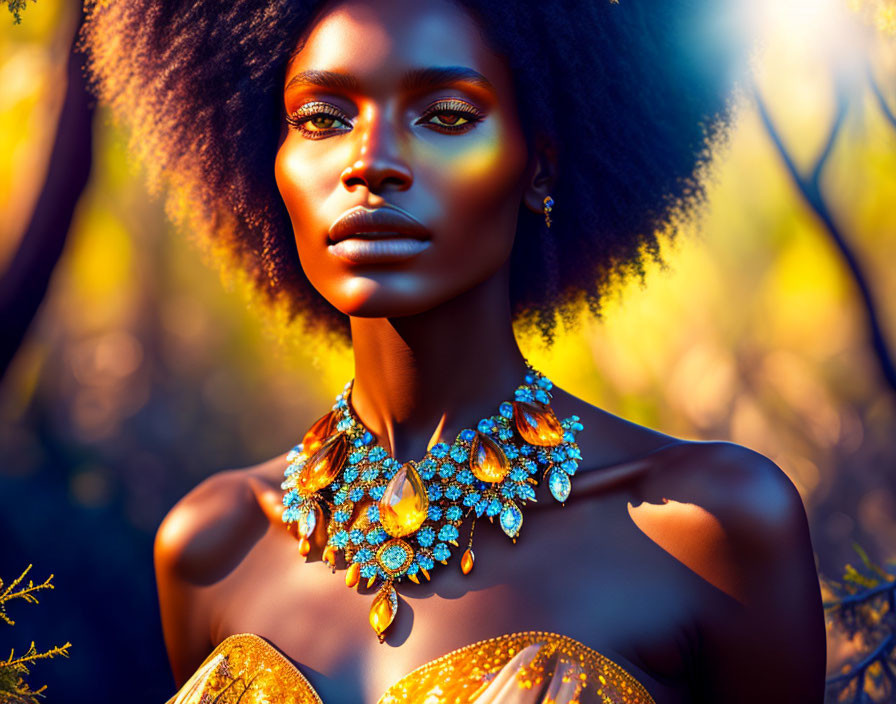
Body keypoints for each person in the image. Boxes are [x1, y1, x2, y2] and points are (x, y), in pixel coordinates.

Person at [82, 0, 826, 701]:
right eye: (321, 118)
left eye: (445, 115)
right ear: (264, 158)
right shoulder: (212, 545)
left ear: (539, 164)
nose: (369, 162)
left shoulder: (710, 526)